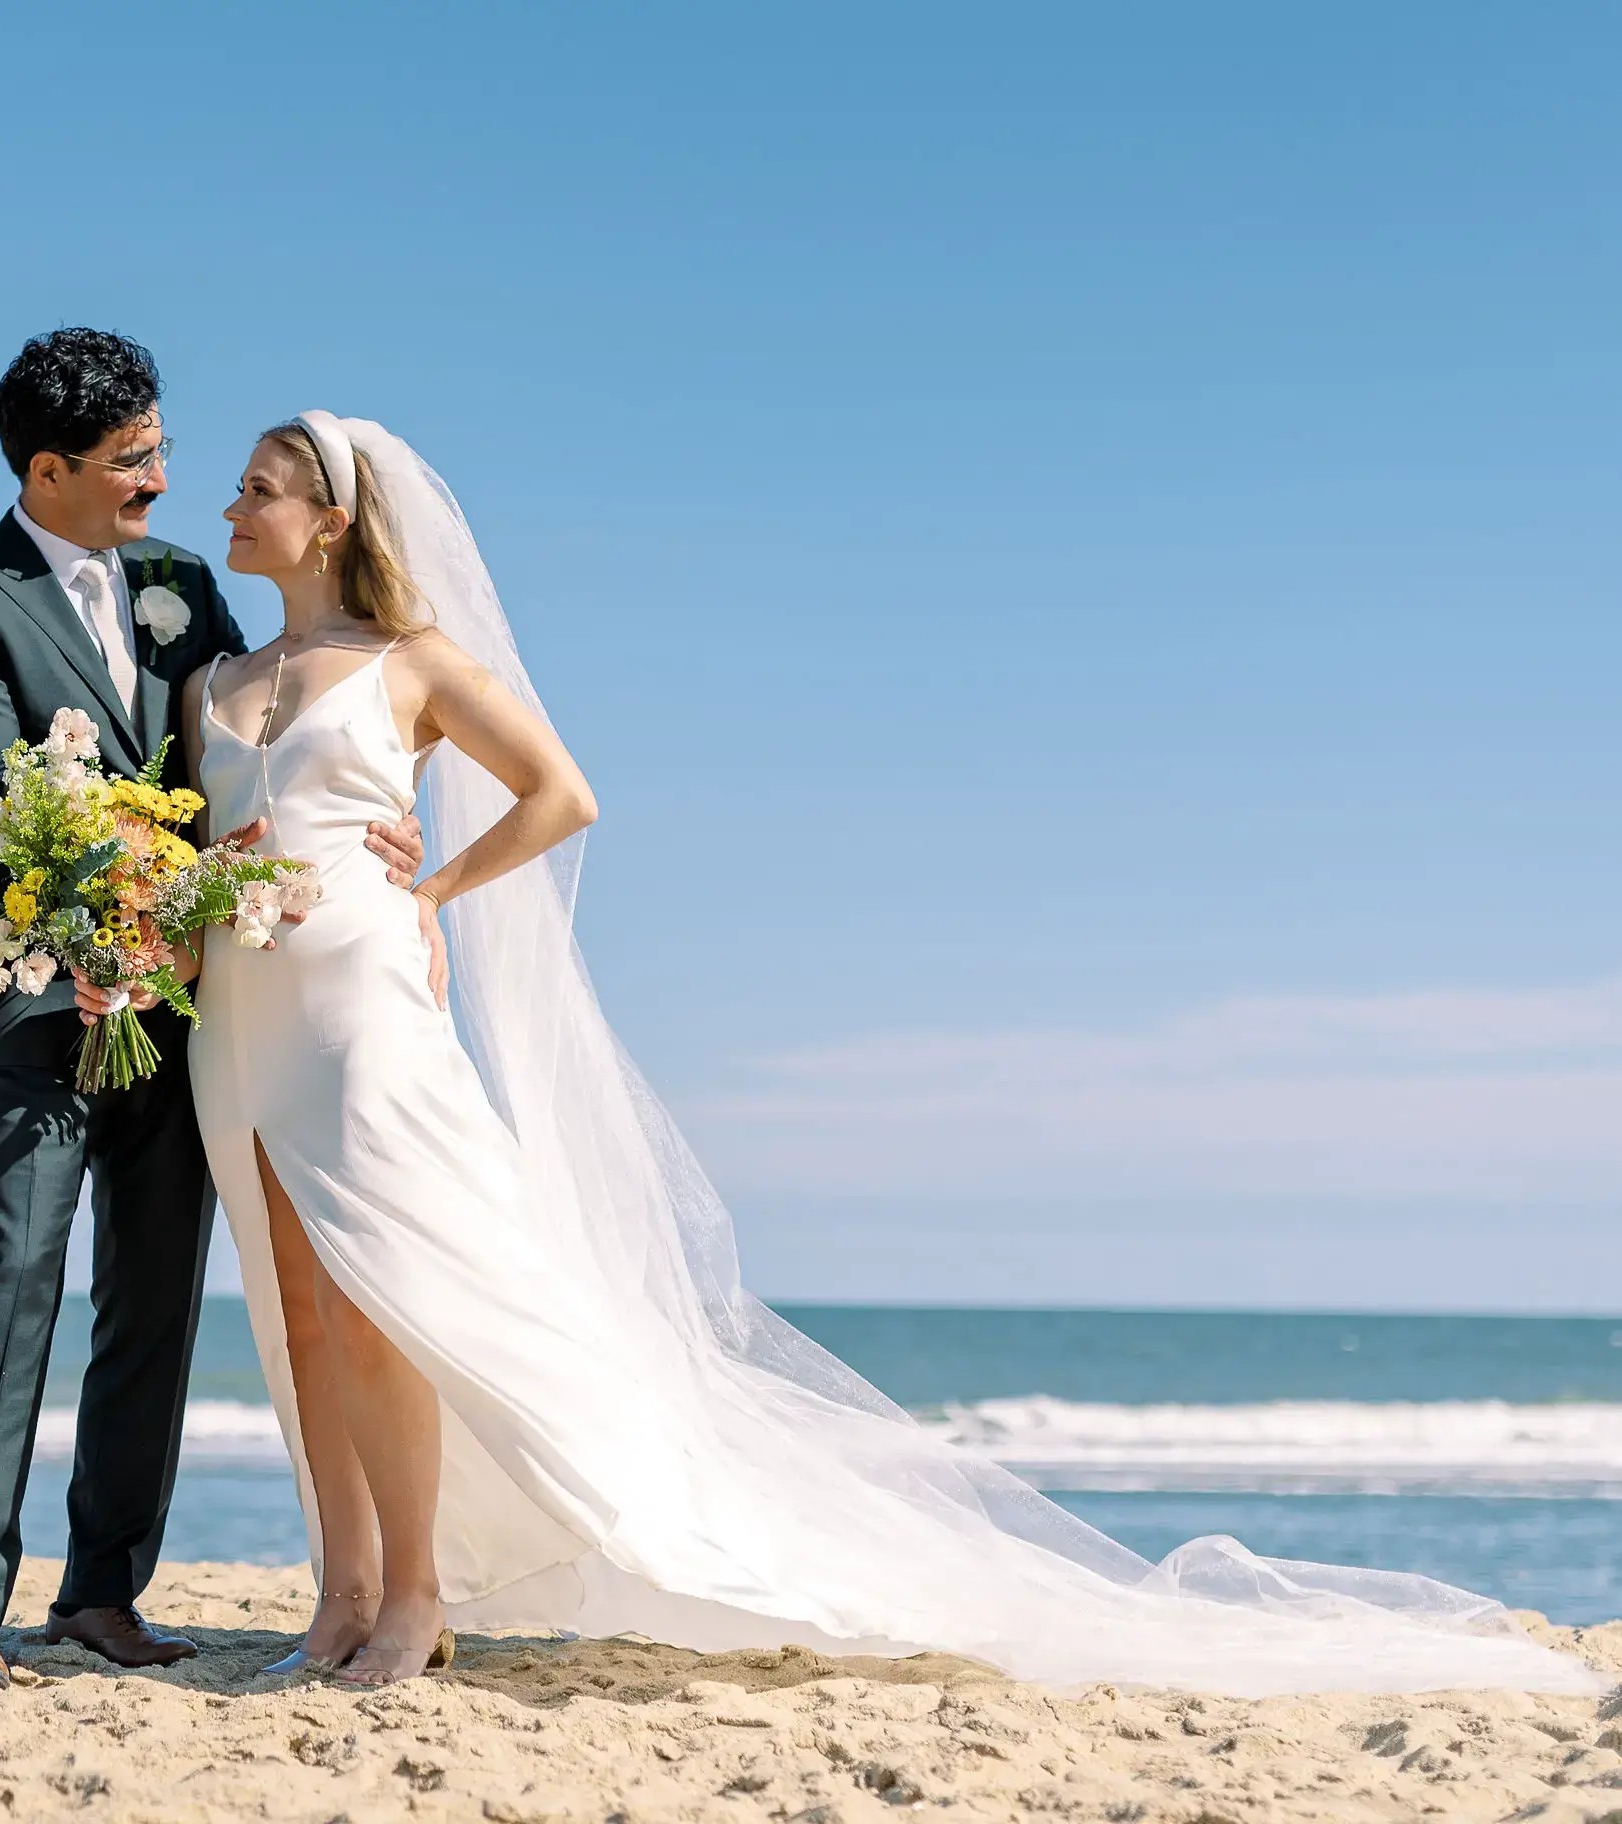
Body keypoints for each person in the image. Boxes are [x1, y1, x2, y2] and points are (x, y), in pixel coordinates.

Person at [133, 410, 1599, 1696]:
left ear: (329, 518)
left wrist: (434, 891)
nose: (230, 508)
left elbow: (563, 796)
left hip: (364, 1008)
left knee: (389, 1301)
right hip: (239, 1014)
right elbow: (193, 839)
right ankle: (332, 1596)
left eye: (258, 488)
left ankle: (413, 1600)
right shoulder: (210, 688)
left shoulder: (413, 663)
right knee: (298, 1309)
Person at [0, 336, 422, 1687]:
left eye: (159, 449)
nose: (160, 479)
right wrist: (89, 929)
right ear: (48, 468)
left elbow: (260, 746)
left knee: (153, 1304)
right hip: (37, 996)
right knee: (7, 1284)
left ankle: (104, 1593)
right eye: (132, 459)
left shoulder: (189, 587)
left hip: (192, 1010)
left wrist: (380, 825)